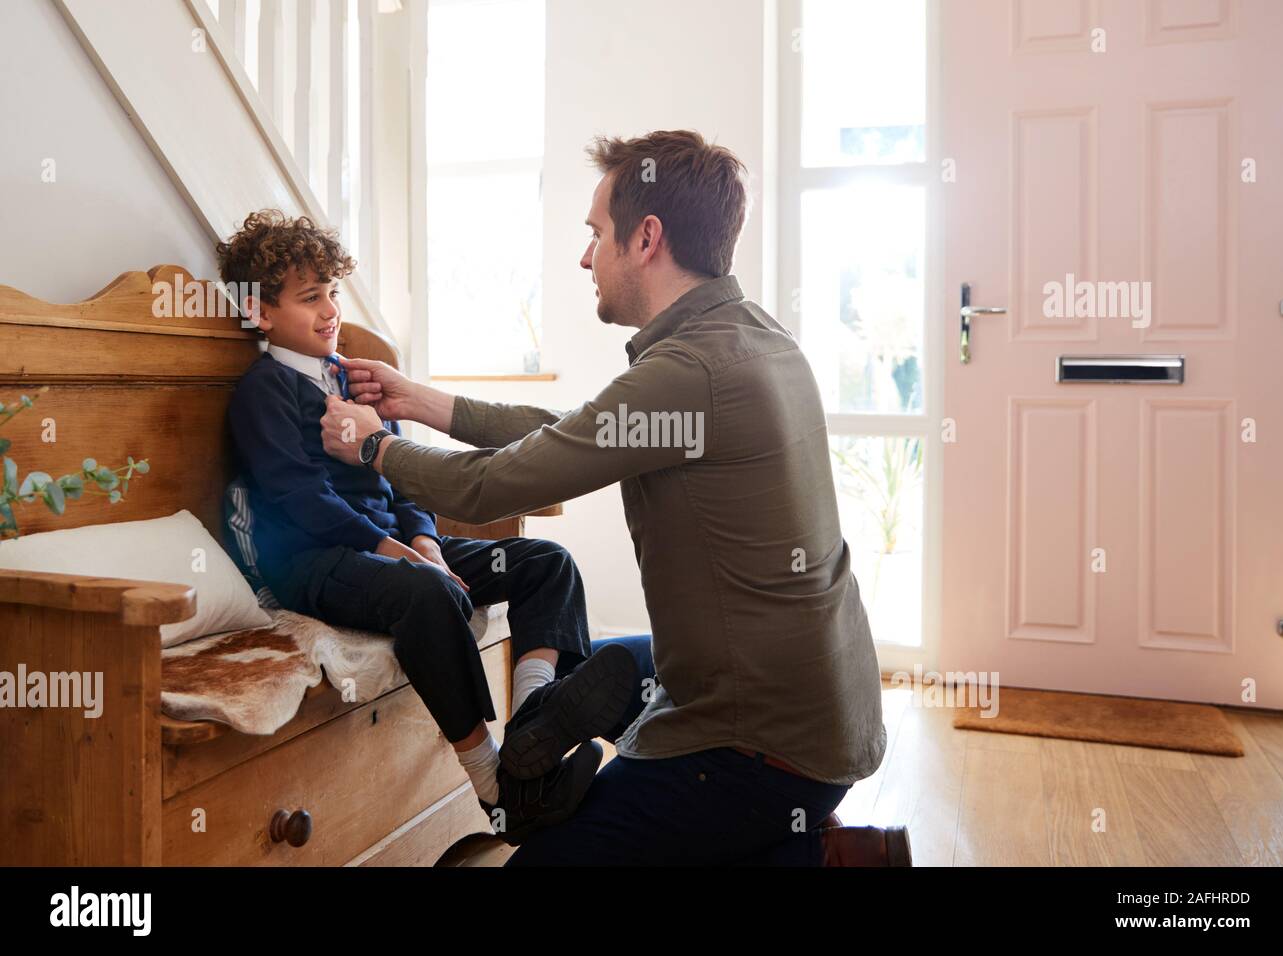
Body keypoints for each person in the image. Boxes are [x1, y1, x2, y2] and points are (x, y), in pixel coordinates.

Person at [321, 131, 910, 866]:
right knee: (590, 672)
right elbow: (581, 431)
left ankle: (802, 853)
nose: (584, 256)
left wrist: (375, 445)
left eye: (595, 233)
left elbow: (490, 486)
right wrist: (430, 405)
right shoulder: (754, 337)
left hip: (757, 744)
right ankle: (786, 845)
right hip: (828, 710)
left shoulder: (689, 371)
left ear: (647, 238)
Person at [218, 209, 642, 846]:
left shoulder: (349, 376)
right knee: (430, 592)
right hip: (320, 562)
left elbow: (397, 473)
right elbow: (299, 499)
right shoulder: (264, 392)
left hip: (397, 549)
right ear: (260, 312)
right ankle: (496, 786)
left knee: (545, 564)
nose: (331, 310)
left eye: (332, 291)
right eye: (310, 298)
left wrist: (422, 541)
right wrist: (404, 556)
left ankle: (535, 725)